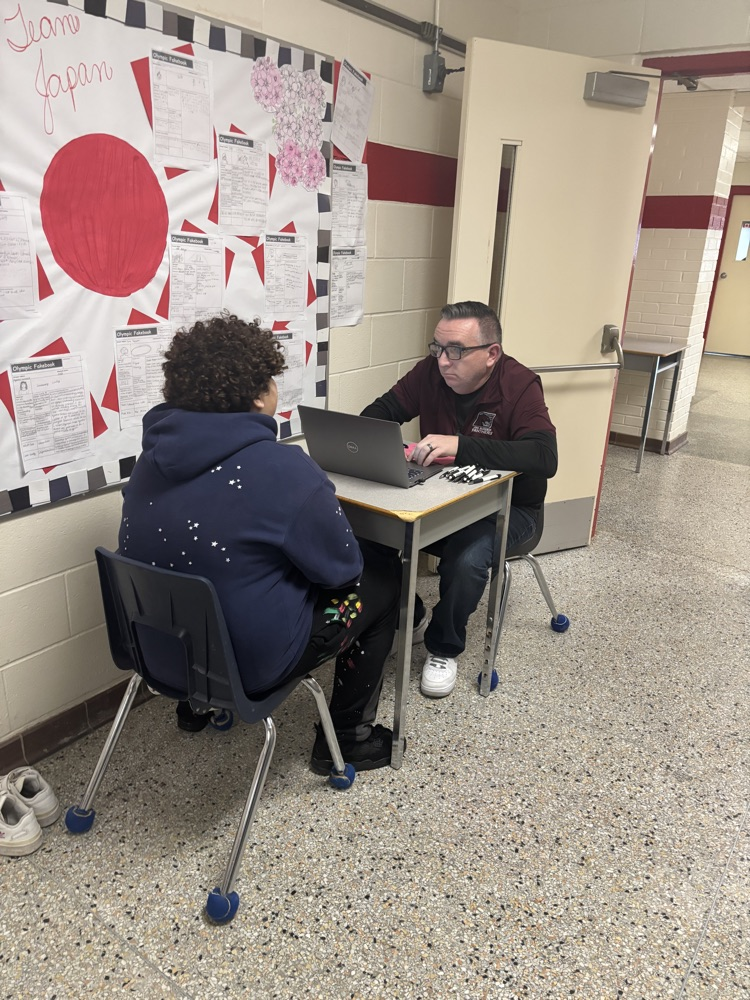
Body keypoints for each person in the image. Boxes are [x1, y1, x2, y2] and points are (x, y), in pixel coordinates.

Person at [119, 313, 400, 773]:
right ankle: (348, 738)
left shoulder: (149, 461)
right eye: (272, 379)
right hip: (254, 666)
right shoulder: (283, 470)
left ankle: (195, 707)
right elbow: (344, 571)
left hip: (157, 651)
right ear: (256, 394)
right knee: (382, 580)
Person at [362, 300, 557, 698]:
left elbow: (544, 456)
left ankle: (443, 647)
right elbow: (377, 413)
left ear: (491, 354)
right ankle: (411, 615)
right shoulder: (430, 373)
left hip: (511, 509)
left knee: (467, 559)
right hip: (445, 498)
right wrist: (390, 447)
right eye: (437, 347)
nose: (443, 361)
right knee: (369, 530)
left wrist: (461, 446)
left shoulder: (519, 385)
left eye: (455, 350)